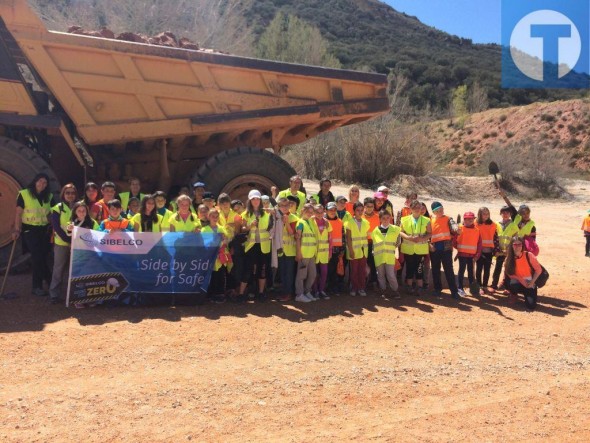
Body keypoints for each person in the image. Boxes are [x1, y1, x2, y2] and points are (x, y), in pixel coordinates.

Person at [13, 173, 55, 297]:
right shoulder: (24, 194)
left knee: (41, 257)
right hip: (30, 230)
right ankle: (49, 281)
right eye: (40, 181)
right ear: (35, 181)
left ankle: (38, 286)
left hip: (45, 230)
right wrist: (16, 229)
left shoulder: (49, 196)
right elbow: (18, 213)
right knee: (37, 256)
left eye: (45, 183)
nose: (42, 184)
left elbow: (52, 214)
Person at [237, 190, 273, 302]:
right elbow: (241, 229)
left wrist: (273, 211)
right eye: (253, 199)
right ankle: (241, 294)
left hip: (264, 245)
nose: (256, 201)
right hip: (251, 246)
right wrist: (249, 226)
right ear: (250, 200)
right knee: (247, 269)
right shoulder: (245, 214)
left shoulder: (267, 214)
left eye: (257, 198)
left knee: (262, 270)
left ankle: (261, 293)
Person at [48, 183, 78, 304]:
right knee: (58, 269)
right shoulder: (57, 208)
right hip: (61, 243)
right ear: (63, 194)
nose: (70, 195)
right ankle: (54, 294)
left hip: (77, 244)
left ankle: (75, 294)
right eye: (67, 193)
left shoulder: (79, 206)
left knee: (76, 269)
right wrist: (68, 240)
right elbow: (56, 227)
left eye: (72, 193)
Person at [429, 201, 460, 299]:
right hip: (434, 248)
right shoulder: (430, 220)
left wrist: (456, 228)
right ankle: (437, 289)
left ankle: (454, 291)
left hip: (446, 248)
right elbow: (428, 234)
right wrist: (430, 245)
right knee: (435, 270)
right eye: (437, 211)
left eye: (441, 210)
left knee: (449, 270)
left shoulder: (448, 218)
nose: (440, 212)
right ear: (434, 212)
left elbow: (453, 225)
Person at [399, 200, 431, 295]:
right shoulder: (404, 219)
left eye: (418, 207)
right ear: (411, 209)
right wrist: (409, 237)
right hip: (408, 248)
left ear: (421, 208)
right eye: (414, 208)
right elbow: (400, 231)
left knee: (419, 268)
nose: (417, 209)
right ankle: (409, 287)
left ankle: (419, 287)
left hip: (420, 249)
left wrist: (421, 239)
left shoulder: (426, 220)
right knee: (409, 267)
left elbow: (430, 233)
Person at [503, 236, 543, 311]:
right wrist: (520, 279)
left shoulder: (529, 255)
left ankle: (527, 293)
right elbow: (508, 273)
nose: (517, 247)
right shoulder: (509, 258)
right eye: (515, 244)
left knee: (531, 306)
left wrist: (532, 282)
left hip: (529, 282)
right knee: (513, 283)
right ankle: (514, 294)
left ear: (522, 245)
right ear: (511, 246)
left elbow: (538, 270)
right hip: (518, 281)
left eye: (519, 244)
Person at [202, 209, 231, 303]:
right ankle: (210, 295)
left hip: (220, 256)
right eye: (213, 216)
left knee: (221, 275)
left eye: (216, 216)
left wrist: (224, 239)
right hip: (210, 257)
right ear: (208, 217)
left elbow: (226, 242)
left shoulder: (222, 228)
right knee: (211, 276)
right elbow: (204, 243)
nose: (215, 218)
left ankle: (220, 294)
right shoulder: (204, 230)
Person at [371, 210, 401, 299]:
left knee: (390, 274)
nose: (385, 220)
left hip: (389, 257)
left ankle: (395, 290)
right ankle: (383, 290)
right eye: (383, 218)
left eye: (387, 218)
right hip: (379, 256)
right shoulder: (375, 230)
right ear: (380, 219)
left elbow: (398, 242)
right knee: (380, 275)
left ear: (391, 218)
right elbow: (374, 243)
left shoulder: (395, 229)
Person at [274, 197, 298, 301]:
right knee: (282, 273)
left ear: (290, 206)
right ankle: (284, 292)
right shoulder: (276, 216)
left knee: (289, 273)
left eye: (286, 205)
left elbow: (291, 233)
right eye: (282, 205)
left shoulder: (293, 217)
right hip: (280, 249)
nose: (284, 207)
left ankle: (288, 294)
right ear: (278, 206)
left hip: (290, 251)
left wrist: (287, 222)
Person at [490, 206, 519, 292]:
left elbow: (515, 238)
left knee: (508, 270)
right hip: (499, 251)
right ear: (501, 214)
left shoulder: (513, 225)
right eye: (504, 213)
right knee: (497, 268)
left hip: (509, 252)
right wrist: (496, 250)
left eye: (507, 213)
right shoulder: (496, 224)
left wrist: (510, 250)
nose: (505, 214)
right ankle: (494, 285)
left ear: (510, 214)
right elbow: (494, 237)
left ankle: (507, 287)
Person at [294, 203, 319, 302]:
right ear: (302, 211)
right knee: (301, 275)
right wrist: (298, 252)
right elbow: (298, 238)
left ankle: (307, 291)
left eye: (311, 212)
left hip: (311, 253)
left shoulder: (310, 222)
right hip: (303, 254)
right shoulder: (300, 223)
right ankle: (299, 294)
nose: (309, 214)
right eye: (307, 211)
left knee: (312, 274)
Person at [453, 211, 482, 297]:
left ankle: (472, 288)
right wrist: (458, 249)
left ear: (474, 219)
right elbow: (454, 240)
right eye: (467, 219)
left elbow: (479, 244)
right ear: (464, 219)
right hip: (462, 255)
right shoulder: (460, 228)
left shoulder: (477, 230)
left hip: (472, 256)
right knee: (461, 271)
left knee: (470, 272)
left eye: (471, 219)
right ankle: (460, 288)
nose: (469, 221)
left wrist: (477, 255)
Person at [346, 202, 370, 296]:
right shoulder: (349, 223)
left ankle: (361, 288)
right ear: (354, 211)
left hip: (364, 251)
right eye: (357, 210)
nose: (360, 212)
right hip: (354, 251)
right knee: (354, 271)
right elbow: (348, 238)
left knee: (362, 270)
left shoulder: (366, 222)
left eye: (361, 210)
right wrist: (351, 250)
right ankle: (354, 288)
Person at [475, 207, 498, 294]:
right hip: (479, 251)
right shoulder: (475, 223)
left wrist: (496, 250)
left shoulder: (493, 224)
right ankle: (479, 286)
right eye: (484, 214)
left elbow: (496, 238)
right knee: (479, 269)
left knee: (487, 269)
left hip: (489, 251)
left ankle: (485, 286)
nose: (486, 215)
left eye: (487, 213)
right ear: (479, 214)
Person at [312, 204, 332, 299]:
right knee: (314, 273)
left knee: (324, 272)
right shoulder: (311, 221)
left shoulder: (327, 222)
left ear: (324, 212)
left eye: (321, 212)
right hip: (314, 252)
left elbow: (330, 238)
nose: (319, 214)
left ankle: (322, 290)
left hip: (324, 252)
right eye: (317, 212)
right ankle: (315, 291)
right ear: (314, 212)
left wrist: (330, 252)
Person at [326, 201, 345, 294]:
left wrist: (342, 249)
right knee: (327, 270)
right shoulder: (324, 221)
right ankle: (327, 287)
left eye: (334, 209)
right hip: (325, 251)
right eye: (330, 210)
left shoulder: (340, 221)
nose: (332, 211)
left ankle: (333, 287)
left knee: (334, 270)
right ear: (326, 211)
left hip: (337, 250)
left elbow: (343, 235)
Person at [363, 197, 380, 287]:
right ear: (364, 206)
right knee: (363, 263)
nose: (369, 208)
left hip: (374, 244)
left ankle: (373, 281)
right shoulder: (360, 216)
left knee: (373, 263)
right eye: (367, 206)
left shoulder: (378, 217)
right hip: (362, 244)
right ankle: (363, 281)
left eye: (371, 206)